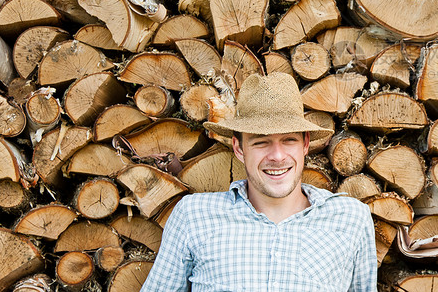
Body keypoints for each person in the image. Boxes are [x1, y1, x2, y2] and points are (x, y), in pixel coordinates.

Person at [140, 72, 378, 292]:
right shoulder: (194, 216)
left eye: (288, 140)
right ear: (239, 148)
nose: (277, 156)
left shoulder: (351, 219)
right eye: (261, 142)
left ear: (305, 145)